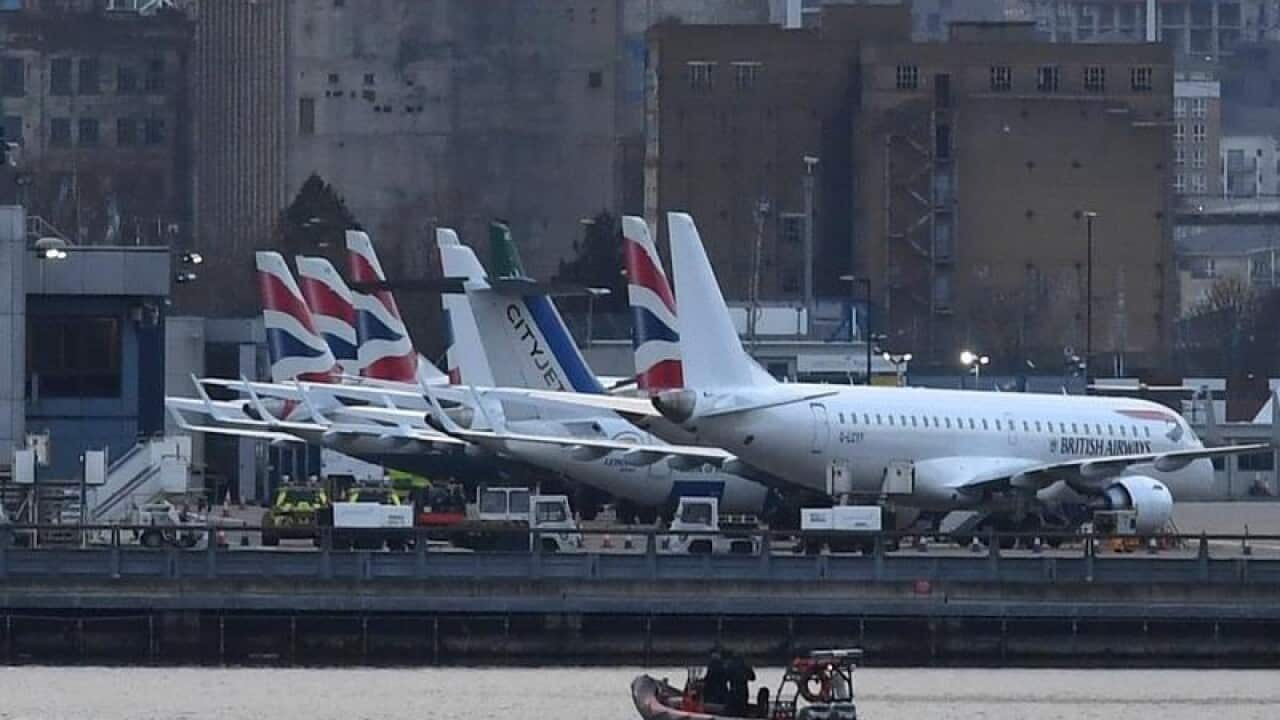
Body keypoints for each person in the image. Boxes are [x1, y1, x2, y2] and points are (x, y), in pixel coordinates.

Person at [725, 651, 755, 716]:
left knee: (733, 710)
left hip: (733, 691)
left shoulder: (730, 665)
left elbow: (725, 678)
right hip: (743, 691)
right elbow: (753, 678)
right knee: (742, 709)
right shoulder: (745, 666)